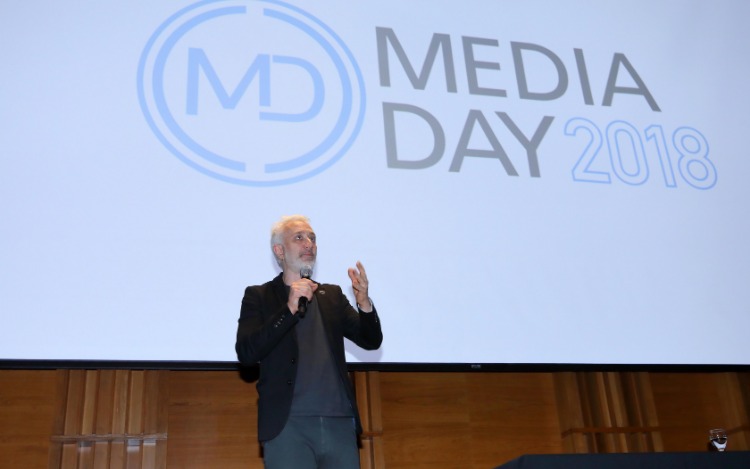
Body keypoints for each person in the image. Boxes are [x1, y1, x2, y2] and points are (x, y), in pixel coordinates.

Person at [235, 215, 383, 469]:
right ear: (279, 251)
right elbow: (247, 352)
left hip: (339, 422)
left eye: (312, 238)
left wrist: (364, 303)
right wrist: (289, 309)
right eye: (299, 238)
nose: (309, 244)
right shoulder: (259, 296)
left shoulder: (331, 295)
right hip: (288, 425)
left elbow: (370, 340)